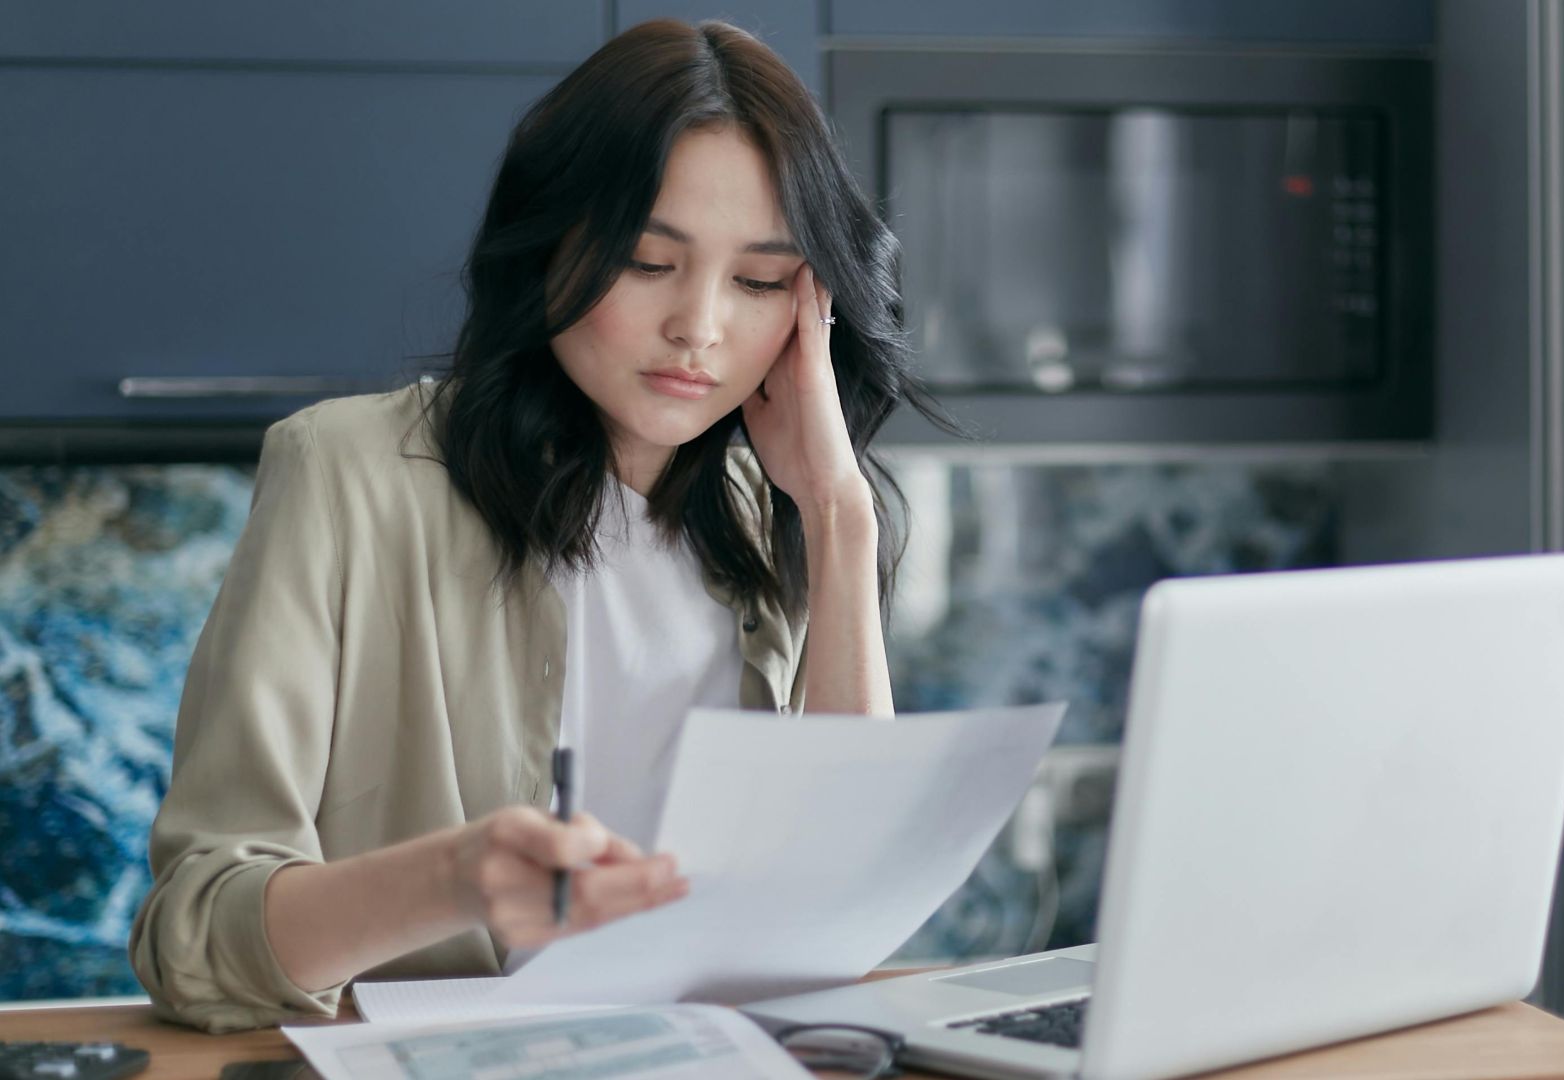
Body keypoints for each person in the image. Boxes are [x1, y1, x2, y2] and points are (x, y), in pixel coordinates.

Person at [128, 18, 953, 1034]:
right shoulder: (347, 474)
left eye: (758, 282)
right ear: (552, 244)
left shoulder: (770, 516)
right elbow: (195, 943)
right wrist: (457, 875)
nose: (699, 327)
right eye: (651, 262)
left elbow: (844, 909)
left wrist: (837, 514)